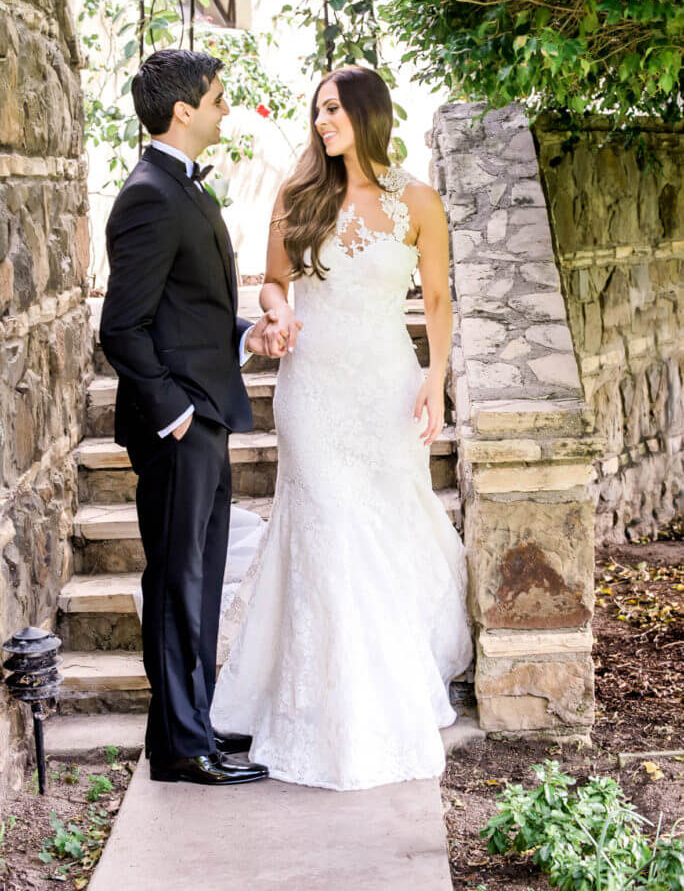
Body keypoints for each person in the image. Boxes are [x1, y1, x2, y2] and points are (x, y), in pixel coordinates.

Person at [210, 65, 473, 791]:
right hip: (314, 392)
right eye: (318, 110)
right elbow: (270, 279)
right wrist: (276, 308)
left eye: (335, 109)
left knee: (384, 527)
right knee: (328, 526)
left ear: (368, 114)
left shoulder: (419, 200)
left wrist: (436, 379)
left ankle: (388, 675)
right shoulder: (299, 196)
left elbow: (442, 297)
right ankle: (327, 703)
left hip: (386, 387)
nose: (323, 121)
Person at [100, 49, 282, 786]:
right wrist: (173, 413)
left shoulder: (182, 189)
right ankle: (183, 748)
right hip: (179, 425)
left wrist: (246, 337)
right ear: (183, 111)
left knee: (197, 582)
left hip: (205, 413)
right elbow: (122, 328)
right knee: (179, 583)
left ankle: (188, 729)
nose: (224, 109)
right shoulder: (149, 194)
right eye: (216, 98)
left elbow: (189, 313)